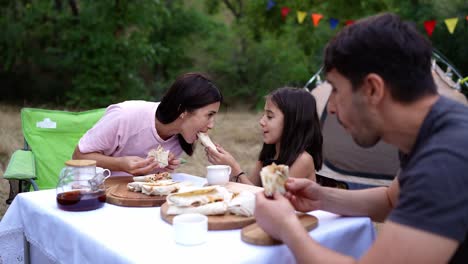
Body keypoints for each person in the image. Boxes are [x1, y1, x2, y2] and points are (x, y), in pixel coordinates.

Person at [255, 13, 468, 263]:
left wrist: (287, 227)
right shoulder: (434, 126)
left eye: (335, 89)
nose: (331, 107)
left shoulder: (448, 156)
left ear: (373, 89)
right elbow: (391, 200)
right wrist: (321, 197)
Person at [73, 72, 223, 176]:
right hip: (95, 194)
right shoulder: (125, 116)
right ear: (183, 110)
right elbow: (78, 157)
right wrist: (119, 164)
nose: (211, 125)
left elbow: (149, 182)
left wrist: (160, 168)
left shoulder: (180, 136)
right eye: (209, 115)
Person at [206, 87, 323, 185]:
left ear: (293, 122)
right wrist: (227, 168)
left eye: (270, 116)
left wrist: (235, 168)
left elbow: (271, 199)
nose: (261, 121)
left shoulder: (302, 160)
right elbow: (250, 188)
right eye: (264, 115)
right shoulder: (271, 153)